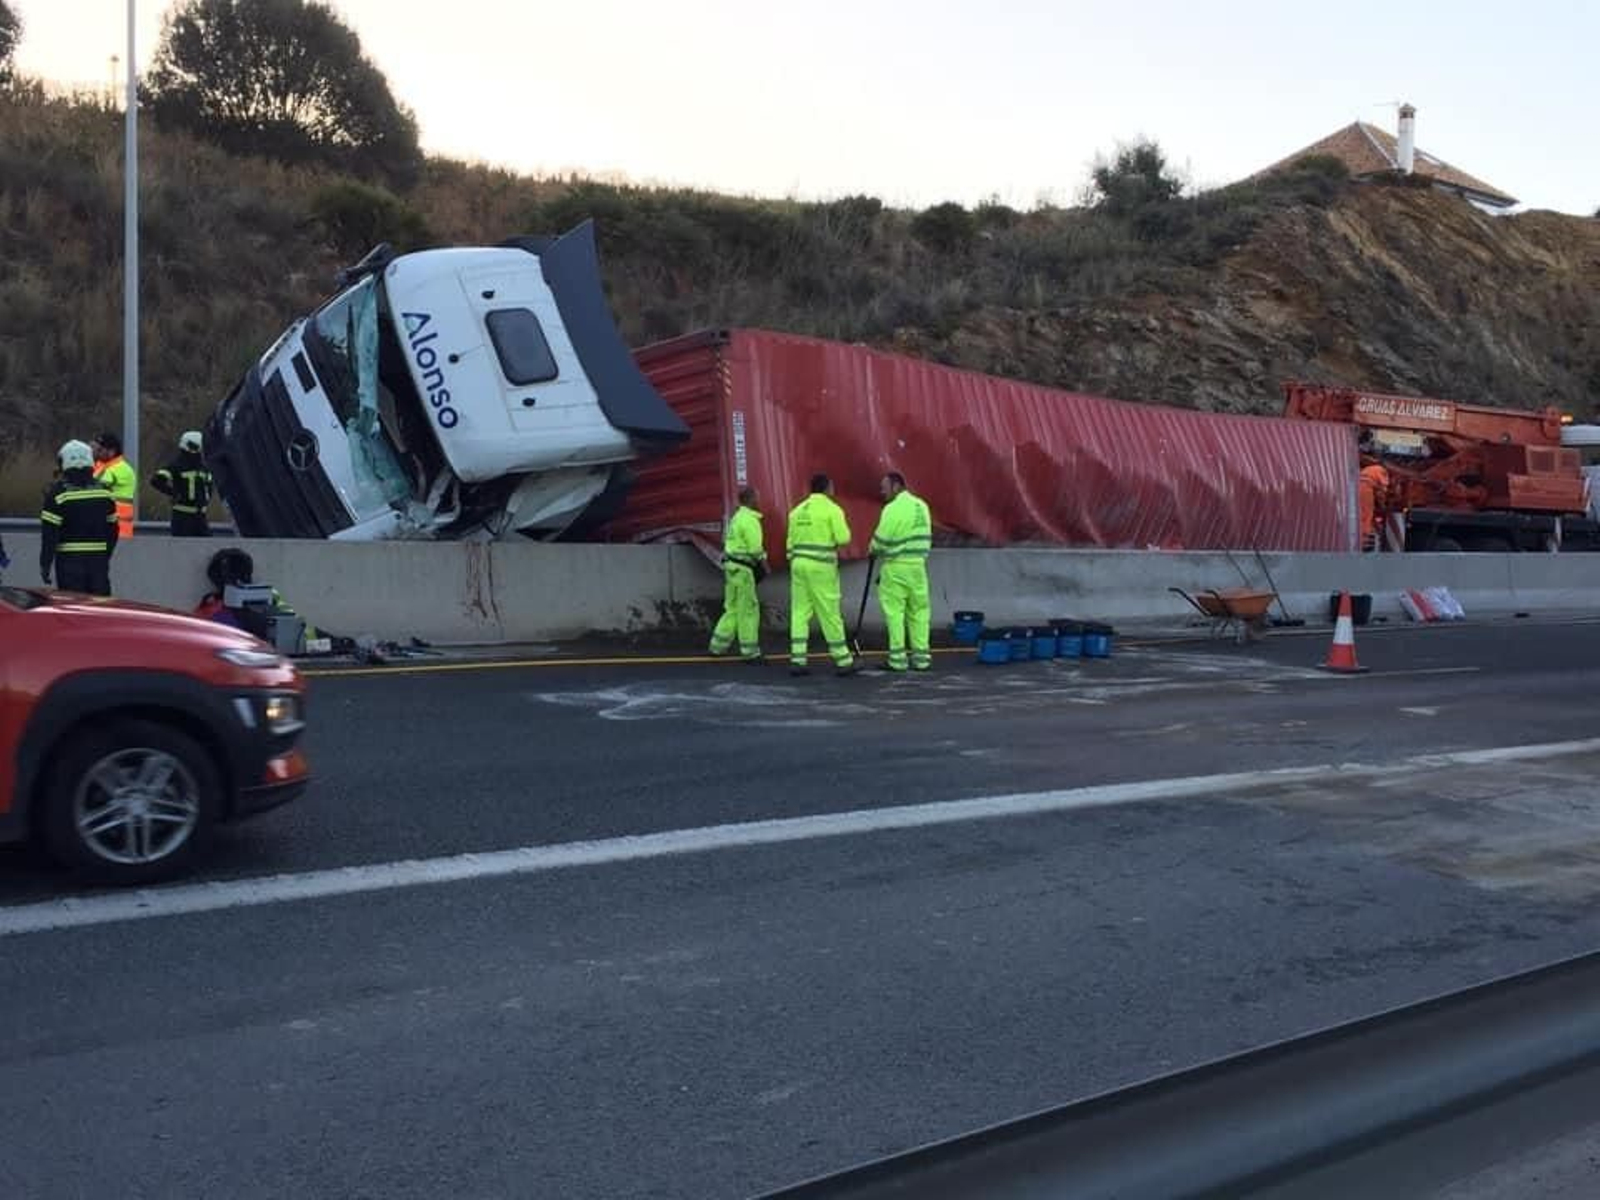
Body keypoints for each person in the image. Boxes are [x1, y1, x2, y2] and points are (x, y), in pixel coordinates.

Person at [785, 473, 860, 677]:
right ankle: (843, 660)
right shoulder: (832, 509)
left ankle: (798, 660)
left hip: (798, 565)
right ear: (827, 488)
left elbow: (790, 544)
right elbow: (844, 537)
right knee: (829, 613)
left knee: (800, 612)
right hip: (821, 567)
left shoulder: (796, 511)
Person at [870, 471, 934, 672]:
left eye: (884, 487)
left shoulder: (892, 509)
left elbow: (881, 539)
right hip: (918, 567)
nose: (882, 491)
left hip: (896, 567)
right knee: (920, 613)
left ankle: (897, 660)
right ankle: (921, 659)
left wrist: (872, 549)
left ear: (896, 486)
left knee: (895, 614)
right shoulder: (922, 506)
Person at [40, 440, 118, 595]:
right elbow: (113, 531)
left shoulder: (58, 494)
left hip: (69, 563)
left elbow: (49, 535)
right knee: (100, 609)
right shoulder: (105, 492)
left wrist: (45, 565)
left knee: (73, 609)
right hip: (98, 562)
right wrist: (105, 555)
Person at [708, 485, 767, 662]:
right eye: (757, 497)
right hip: (743, 570)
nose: (759, 501)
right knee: (748, 610)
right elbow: (755, 549)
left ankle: (717, 646)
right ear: (751, 500)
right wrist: (764, 561)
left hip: (731, 568)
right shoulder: (750, 520)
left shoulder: (736, 518)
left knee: (732, 608)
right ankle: (750, 652)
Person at [151, 430, 214, 537]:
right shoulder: (177, 465)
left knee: (206, 548)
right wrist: (174, 493)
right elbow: (156, 480)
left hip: (201, 517)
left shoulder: (204, 467)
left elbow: (209, 487)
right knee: (182, 548)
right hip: (182, 517)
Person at [93, 430, 137, 541]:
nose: (96, 452)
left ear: (112, 451)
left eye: (99, 450)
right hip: (104, 527)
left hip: (120, 530)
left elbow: (94, 484)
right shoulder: (101, 465)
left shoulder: (122, 469)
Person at [1358, 459, 1391, 552]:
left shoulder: (1369, 469)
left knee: (1361, 514)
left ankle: (1361, 538)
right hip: (1366, 489)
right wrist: (1383, 506)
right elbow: (1381, 493)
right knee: (1366, 515)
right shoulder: (1383, 472)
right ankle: (1364, 541)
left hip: (1358, 487)